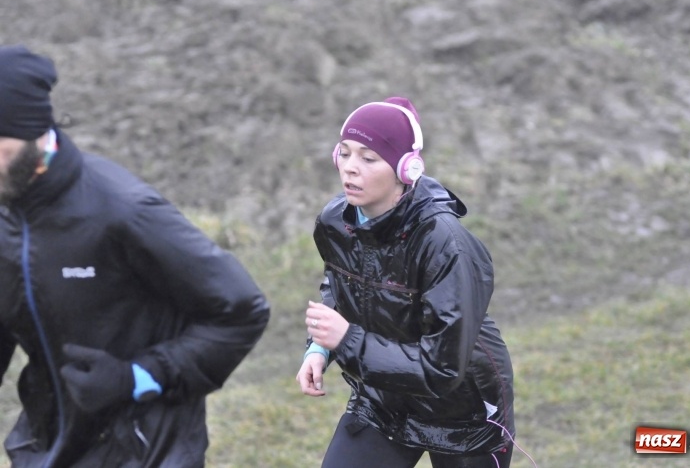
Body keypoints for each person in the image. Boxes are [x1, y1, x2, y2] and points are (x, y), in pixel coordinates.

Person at [0, 44, 271, 468]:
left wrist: (136, 378)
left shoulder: (123, 211)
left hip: (145, 452)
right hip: (46, 448)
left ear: (35, 132)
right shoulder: (7, 210)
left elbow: (242, 311)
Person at [296, 97, 516, 468]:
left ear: (406, 169)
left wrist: (346, 340)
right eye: (344, 153)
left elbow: (444, 368)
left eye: (369, 158)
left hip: (463, 414)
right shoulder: (335, 222)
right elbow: (341, 282)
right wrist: (319, 347)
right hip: (383, 399)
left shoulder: (446, 245)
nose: (350, 167)